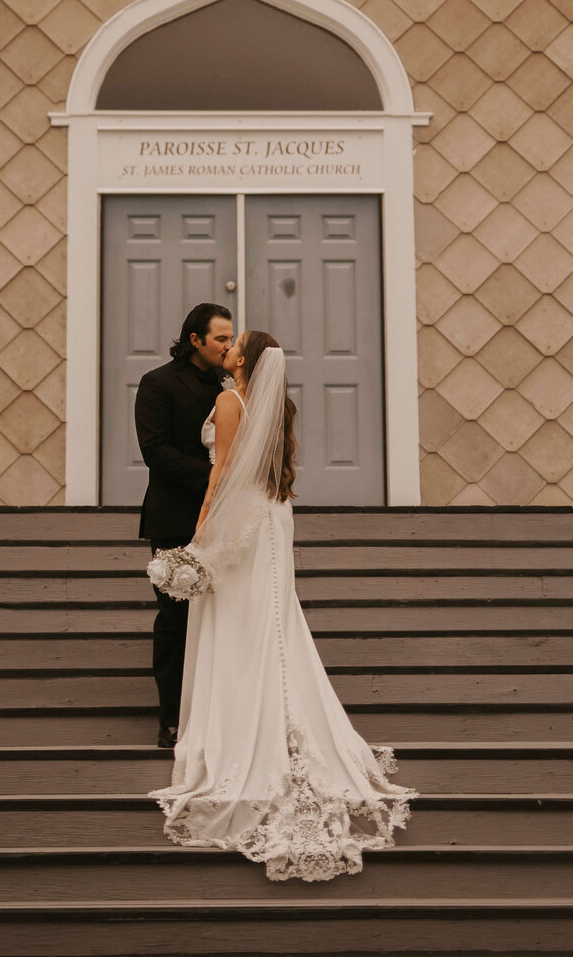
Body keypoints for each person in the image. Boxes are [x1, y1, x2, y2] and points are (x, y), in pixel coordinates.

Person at [150, 328, 416, 883]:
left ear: (243, 358)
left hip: (240, 513)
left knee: (244, 618)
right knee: (271, 615)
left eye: (234, 342)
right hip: (272, 513)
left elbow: (221, 469)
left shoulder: (228, 400)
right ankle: (281, 709)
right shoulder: (277, 405)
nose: (227, 347)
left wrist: (201, 529)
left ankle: (247, 718)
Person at [134, 301, 233, 748]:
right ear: (195, 340)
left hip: (227, 521)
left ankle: (218, 713)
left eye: (230, 339)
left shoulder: (231, 387)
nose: (228, 346)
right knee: (174, 621)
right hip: (176, 517)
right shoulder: (157, 383)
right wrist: (214, 476)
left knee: (222, 619)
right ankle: (171, 719)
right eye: (221, 339)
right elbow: (155, 451)